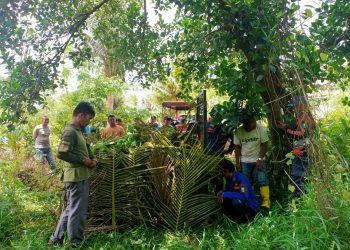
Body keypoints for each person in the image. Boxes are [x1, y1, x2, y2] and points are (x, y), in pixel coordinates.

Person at [48, 102, 97, 247]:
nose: (89, 122)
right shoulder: (70, 131)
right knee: (78, 212)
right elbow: (62, 153)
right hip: (77, 178)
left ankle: (56, 239)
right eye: (88, 118)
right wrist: (84, 161)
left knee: (70, 210)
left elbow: (83, 151)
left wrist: (92, 159)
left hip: (78, 176)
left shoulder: (77, 131)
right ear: (80, 115)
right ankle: (74, 243)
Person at [277, 96, 315, 198]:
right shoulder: (301, 118)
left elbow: (302, 134)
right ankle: (302, 199)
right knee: (299, 177)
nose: (294, 109)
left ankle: (299, 200)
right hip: (300, 152)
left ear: (303, 106)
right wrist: (286, 128)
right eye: (294, 107)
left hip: (303, 152)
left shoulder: (305, 118)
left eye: (296, 107)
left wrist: (287, 130)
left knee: (297, 176)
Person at [234, 116, 270, 209]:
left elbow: (264, 145)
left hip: (258, 159)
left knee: (262, 179)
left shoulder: (261, 129)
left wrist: (260, 159)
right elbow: (237, 147)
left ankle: (266, 201)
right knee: (244, 182)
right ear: (245, 124)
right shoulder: (238, 131)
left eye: (254, 122)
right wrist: (237, 163)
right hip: (244, 161)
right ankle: (245, 199)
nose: (254, 125)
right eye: (251, 123)